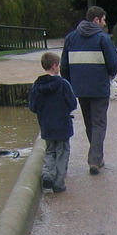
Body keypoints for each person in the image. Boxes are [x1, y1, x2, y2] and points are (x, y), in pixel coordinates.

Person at [60, 6, 117, 175]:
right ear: (96, 20)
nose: (104, 23)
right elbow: (113, 62)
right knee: (99, 123)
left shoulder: (70, 38)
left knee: (89, 122)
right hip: (99, 87)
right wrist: (110, 75)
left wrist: (70, 84)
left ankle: (97, 155)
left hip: (80, 88)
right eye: (103, 19)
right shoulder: (103, 38)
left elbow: (64, 66)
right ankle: (95, 158)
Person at [28, 51, 77, 194]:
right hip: (62, 125)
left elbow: (32, 106)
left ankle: (47, 174)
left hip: (46, 125)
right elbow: (72, 103)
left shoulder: (37, 85)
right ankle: (59, 183)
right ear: (55, 66)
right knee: (62, 152)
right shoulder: (63, 84)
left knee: (50, 151)